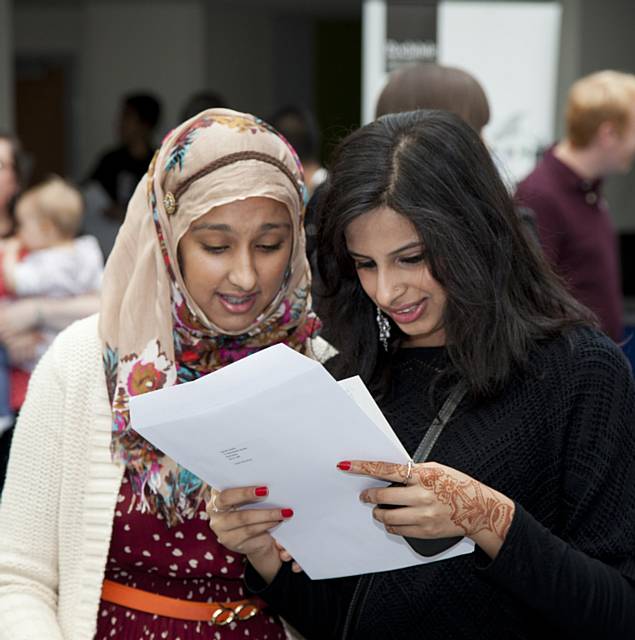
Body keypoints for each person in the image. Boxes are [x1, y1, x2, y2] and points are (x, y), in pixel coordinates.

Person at [208, 110, 635, 639]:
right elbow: (346, 618)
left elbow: (619, 610)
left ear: (474, 236)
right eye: (366, 264)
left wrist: (489, 520)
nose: (388, 292)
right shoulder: (350, 378)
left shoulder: (579, 372)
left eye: (412, 258)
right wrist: (262, 554)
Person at [0, 108, 323, 639]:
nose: (245, 274)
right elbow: (20, 576)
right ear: (167, 238)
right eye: (216, 246)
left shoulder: (319, 367)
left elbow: (358, 592)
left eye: (269, 245)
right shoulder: (84, 364)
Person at [516, 70, 635, 343]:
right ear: (608, 134)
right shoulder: (539, 195)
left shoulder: (588, 190)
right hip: (574, 371)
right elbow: (532, 303)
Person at [0, 176, 103, 430]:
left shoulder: (42, 260)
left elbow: (107, 306)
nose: (21, 231)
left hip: (38, 375)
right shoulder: (86, 251)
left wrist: (34, 312)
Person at [84, 93, 162, 258]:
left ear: (144, 124)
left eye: (127, 116)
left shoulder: (159, 162)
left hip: (144, 245)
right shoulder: (110, 159)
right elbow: (89, 192)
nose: (120, 123)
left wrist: (126, 213)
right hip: (109, 243)